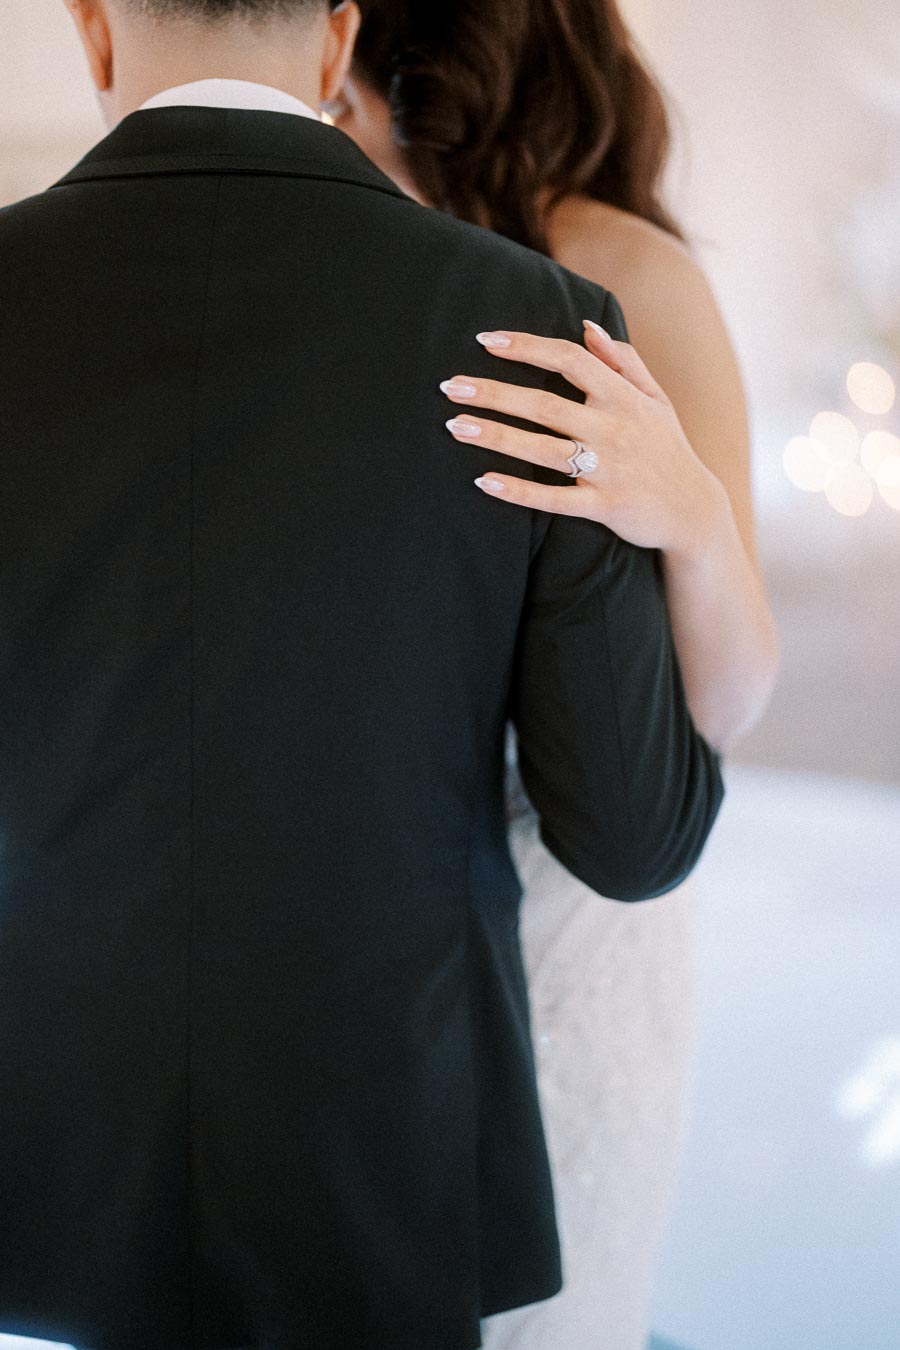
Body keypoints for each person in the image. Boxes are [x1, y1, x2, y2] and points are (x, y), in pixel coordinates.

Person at [0, 1, 726, 1348]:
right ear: (338, 43)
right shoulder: (534, 324)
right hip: (396, 1138)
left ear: (93, 32)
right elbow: (631, 838)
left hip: (60, 1130)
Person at [327, 2, 782, 1346]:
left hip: (572, 898)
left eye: (349, 88)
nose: (332, 116)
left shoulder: (618, 267)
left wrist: (683, 513)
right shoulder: (368, 267)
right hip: (367, 914)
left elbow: (735, 696)